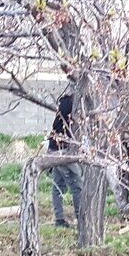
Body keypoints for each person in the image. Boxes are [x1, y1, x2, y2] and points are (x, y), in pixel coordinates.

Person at [47, 92, 83, 229]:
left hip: (53, 148)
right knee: (77, 186)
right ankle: (81, 219)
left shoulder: (64, 102)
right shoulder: (74, 104)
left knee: (58, 186)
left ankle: (59, 219)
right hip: (63, 150)